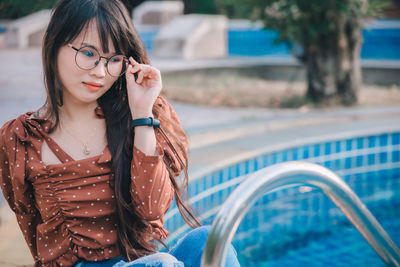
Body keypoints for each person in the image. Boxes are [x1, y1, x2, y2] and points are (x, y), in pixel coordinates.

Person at [0, 0, 240, 266]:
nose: (100, 72)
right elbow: (30, 226)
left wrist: (142, 115)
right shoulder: (21, 137)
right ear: (53, 43)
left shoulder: (138, 117)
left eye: (114, 59)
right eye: (88, 53)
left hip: (142, 261)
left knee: (209, 242)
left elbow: (152, 211)